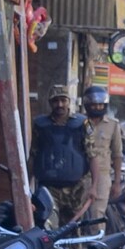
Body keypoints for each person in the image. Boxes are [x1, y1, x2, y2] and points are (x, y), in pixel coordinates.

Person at [30, 84, 100, 228]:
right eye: (56, 101)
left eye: (63, 100)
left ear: (69, 101)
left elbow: (92, 156)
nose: (60, 104)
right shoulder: (40, 125)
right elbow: (33, 155)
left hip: (76, 189)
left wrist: (94, 187)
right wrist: (26, 186)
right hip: (48, 188)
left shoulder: (82, 124)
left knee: (73, 230)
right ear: (50, 103)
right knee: (48, 227)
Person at [81, 86, 122, 228]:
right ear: (87, 104)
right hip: (79, 175)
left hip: (102, 176)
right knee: (75, 214)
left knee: (97, 216)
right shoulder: (79, 122)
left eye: (101, 104)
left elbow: (117, 154)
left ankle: (97, 241)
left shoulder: (113, 125)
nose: (97, 107)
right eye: (94, 104)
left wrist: (117, 182)